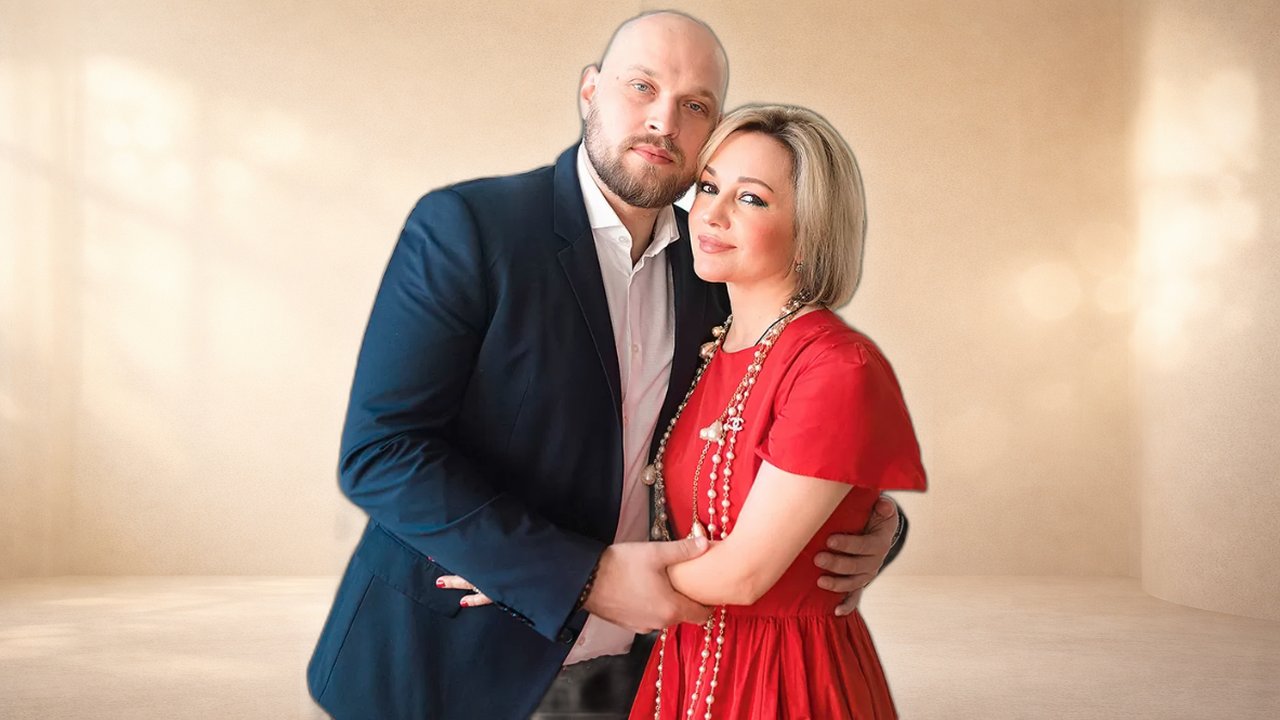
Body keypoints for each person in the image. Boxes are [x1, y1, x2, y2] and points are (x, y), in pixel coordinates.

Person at [305, 12, 910, 720]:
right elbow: (382, 453)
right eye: (641, 86)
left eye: (695, 106)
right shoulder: (469, 227)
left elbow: (776, 431)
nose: (663, 121)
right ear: (590, 90)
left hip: (644, 672)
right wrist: (579, 576)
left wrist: (871, 524)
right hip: (451, 667)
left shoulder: (715, 266)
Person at [623, 104, 927, 719]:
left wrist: (568, 580)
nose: (711, 213)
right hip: (684, 663)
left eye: (751, 198)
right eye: (708, 187)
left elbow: (742, 575)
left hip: (785, 679)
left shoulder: (837, 367)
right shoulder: (710, 346)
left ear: (810, 228)